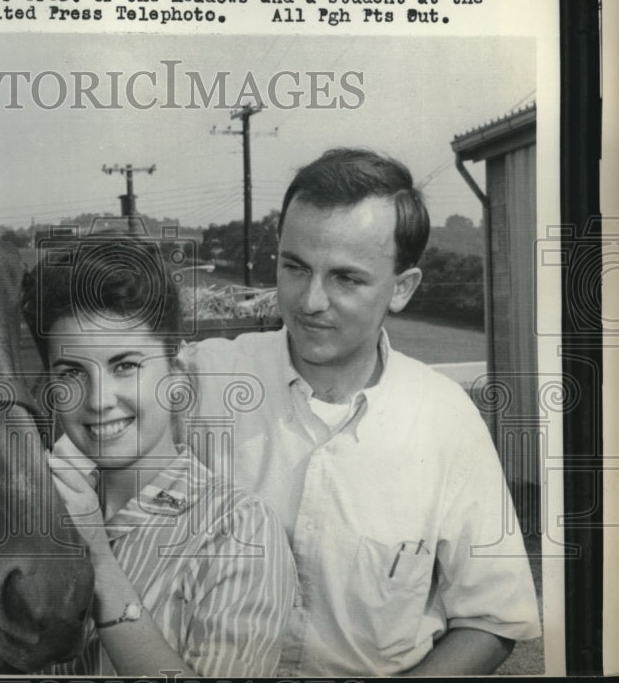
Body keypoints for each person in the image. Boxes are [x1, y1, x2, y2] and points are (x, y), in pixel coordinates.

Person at [181, 148, 542, 676]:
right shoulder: (199, 382)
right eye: (295, 267)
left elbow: (493, 621)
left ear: (402, 288)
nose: (310, 301)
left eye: (346, 279)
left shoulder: (446, 420)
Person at [0, 237, 295, 677]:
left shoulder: (238, 531)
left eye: (126, 366)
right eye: (73, 372)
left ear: (178, 380)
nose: (99, 400)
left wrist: (100, 560)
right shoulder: (26, 517)